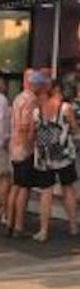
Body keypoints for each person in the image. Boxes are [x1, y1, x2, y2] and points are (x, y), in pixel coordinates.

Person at [31, 80, 79, 242]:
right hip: (63, 155)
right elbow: (74, 129)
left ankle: (43, 230)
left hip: (44, 157)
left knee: (46, 192)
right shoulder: (65, 108)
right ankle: (73, 226)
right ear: (57, 90)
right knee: (68, 188)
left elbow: (33, 133)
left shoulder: (37, 111)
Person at [6, 69, 50, 238]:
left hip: (14, 146)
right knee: (24, 187)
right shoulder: (31, 101)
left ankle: (9, 222)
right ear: (36, 85)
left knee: (16, 185)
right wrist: (29, 144)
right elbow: (25, 126)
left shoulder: (18, 98)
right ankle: (19, 226)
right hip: (23, 148)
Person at [0, 87, 10, 228]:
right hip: (0, 146)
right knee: (4, 177)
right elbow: (3, 124)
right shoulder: (2, 100)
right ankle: (3, 212)